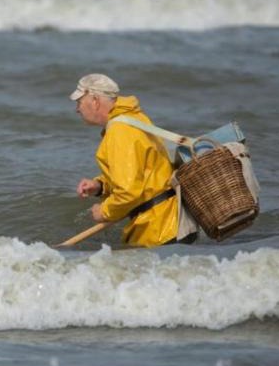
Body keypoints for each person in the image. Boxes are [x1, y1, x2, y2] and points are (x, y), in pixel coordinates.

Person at [71, 73, 197, 247]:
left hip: (158, 231)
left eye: (79, 102)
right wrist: (100, 186)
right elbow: (142, 174)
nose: (77, 109)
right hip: (175, 223)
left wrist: (104, 212)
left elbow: (128, 192)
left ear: (95, 101)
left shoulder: (119, 131)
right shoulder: (135, 119)